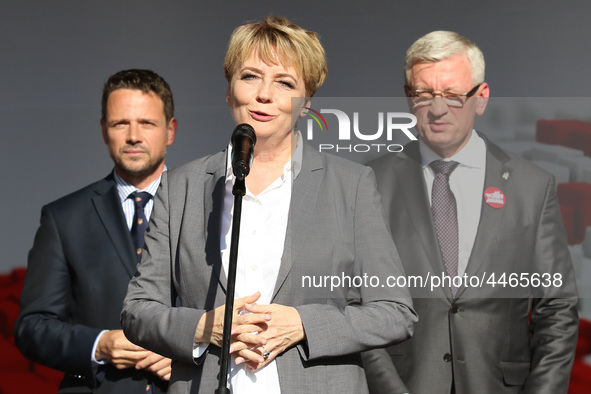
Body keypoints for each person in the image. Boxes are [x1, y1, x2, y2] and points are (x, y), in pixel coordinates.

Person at [121, 15, 417, 394]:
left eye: (284, 83)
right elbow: (137, 309)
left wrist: (303, 325)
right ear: (229, 91)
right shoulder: (181, 186)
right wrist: (200, 327)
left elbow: (395, 312)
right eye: (250, 76)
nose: (264, 94)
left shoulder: (351, 185)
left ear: (306, 103)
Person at [363, 31, 579, 393]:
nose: (437, 108)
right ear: (407, 97)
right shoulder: (370, 183)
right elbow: (359, 304)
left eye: (452, 95)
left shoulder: (531, 186)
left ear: (481, 98)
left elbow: (556, 310)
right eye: (424, 94)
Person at [15, 69, 177, 393]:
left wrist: (190, 352)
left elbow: (232, 314)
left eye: (146, 123)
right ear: (104, 131)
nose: (133, 136)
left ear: (170, 130)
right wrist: (99, 344)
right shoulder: (64, 218)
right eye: (120, 124)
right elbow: (33, 327)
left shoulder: (211, 209)